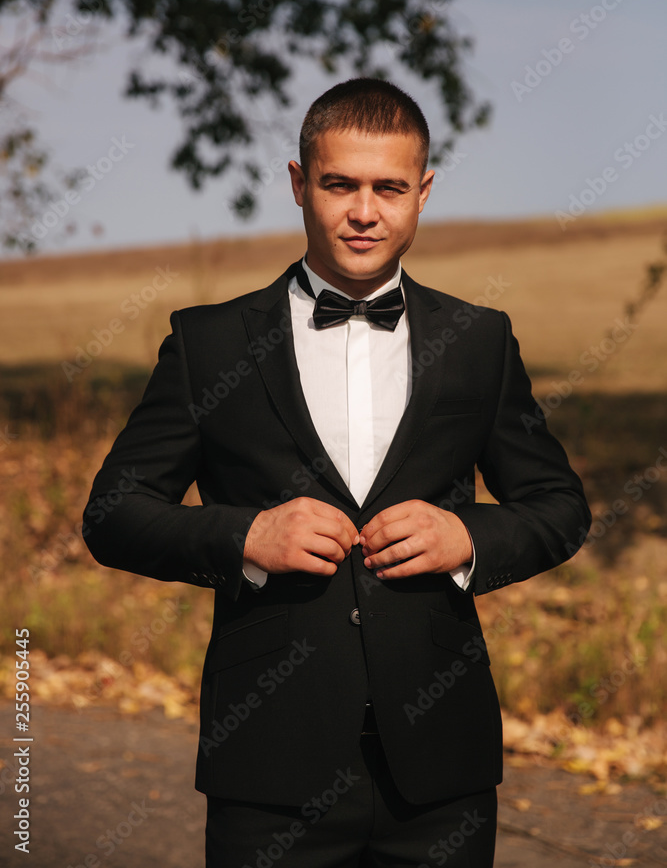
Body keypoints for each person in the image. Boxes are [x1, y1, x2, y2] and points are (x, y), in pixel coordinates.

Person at [83, 78, 590, 867]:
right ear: (297, 183)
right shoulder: (208, 345)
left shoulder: (478, 341)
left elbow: (558, 505)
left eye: (389, 187)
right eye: (338, 185)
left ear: (422, 192)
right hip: (267, 759)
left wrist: (467, 535)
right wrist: (246, 534)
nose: (364, 211)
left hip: (440, 764)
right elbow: (113, 511)